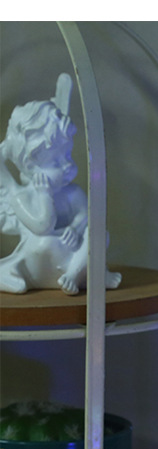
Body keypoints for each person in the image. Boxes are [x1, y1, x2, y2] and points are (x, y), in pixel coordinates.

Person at [0, 74, 120, 295]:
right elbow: (43, 226)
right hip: (40, 261)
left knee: (98, 234)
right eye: (56, 161)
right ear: (30, 167)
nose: (67, 165)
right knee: (44, 242)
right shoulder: (22, 196)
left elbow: (85, 215)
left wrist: (74, 228)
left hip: (67, 258)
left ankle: (77, 275)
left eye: (67, 155)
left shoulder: (72, 192)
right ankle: (11, 274)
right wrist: (43, 193)